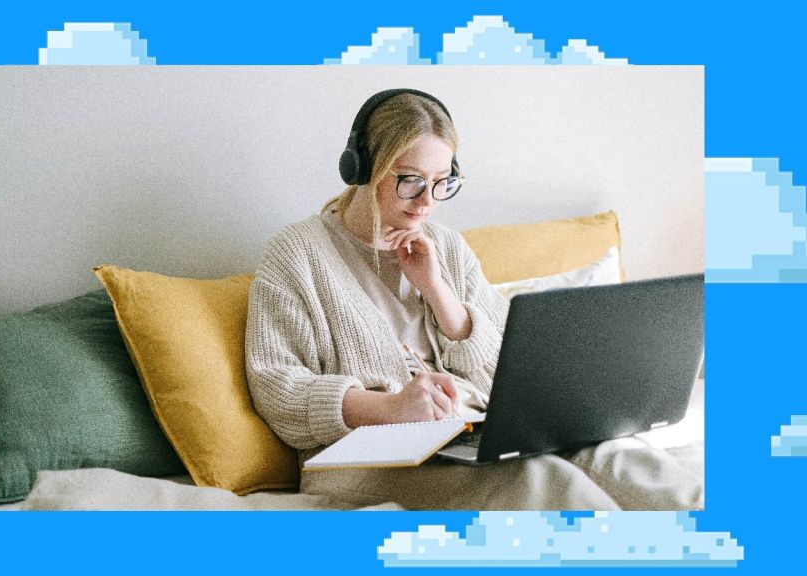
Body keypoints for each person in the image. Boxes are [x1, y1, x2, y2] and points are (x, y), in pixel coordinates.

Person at [244, 89, 702, 510]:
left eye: (442, 182)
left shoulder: (445, 246)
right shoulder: (297, 253)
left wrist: (438, 292)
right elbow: (277, 388)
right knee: (545, 482)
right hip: (359, 460)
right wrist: (391, 408)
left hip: (468, 433)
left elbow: (509, 369)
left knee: (622, 459)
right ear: (364, 169)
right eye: (410, 181)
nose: (427, 201)